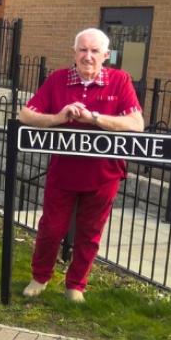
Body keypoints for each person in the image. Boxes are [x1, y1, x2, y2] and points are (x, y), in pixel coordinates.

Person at [20, 28, 144, 303]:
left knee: (90, 233)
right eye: (83, 50)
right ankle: (40, 277)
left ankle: (76, 285)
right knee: (51, 228)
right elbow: (26, 114)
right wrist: (58, 118)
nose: (88, 56)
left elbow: (136, 124)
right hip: (63, 172)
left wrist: (95, 118)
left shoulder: (119, 80)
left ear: (106, 55)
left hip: (104, 173)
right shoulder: (58, 79)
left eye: (94, 51)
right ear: (74, 53)